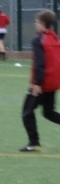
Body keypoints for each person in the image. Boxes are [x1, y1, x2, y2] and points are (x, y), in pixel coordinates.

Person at [19, 10, 60, 153]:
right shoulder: (55, 38)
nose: (35, 24)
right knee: (48, 112)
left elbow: (40, 63)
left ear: (42, 23)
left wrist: (37, 83)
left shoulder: (39, 40)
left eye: (36, 22)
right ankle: (34, 142)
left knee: (27, 112)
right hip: (53, 83)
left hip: (42, 84)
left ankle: (34, 143)